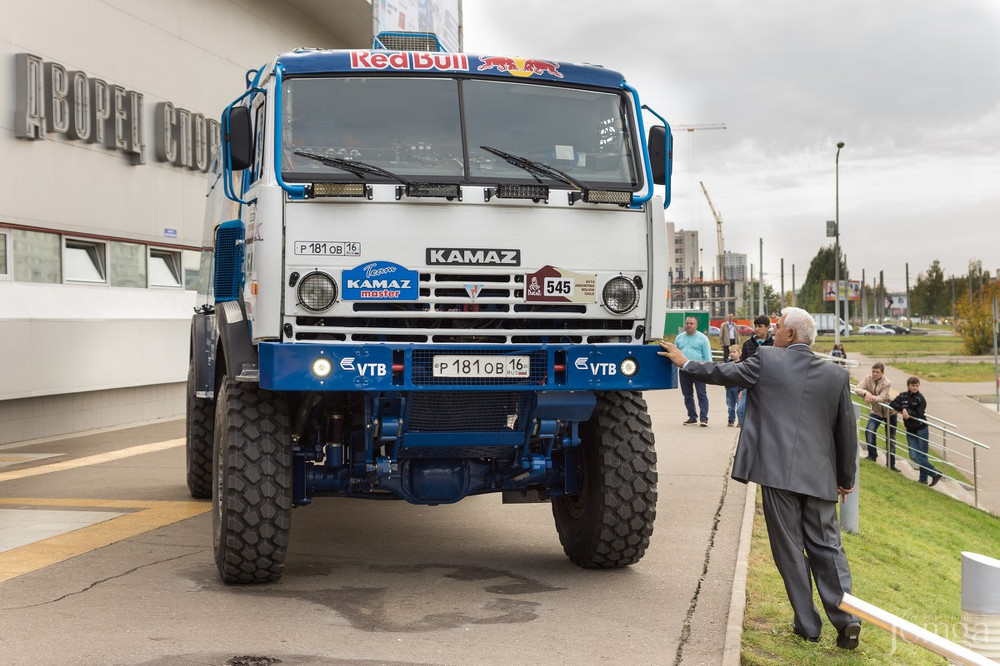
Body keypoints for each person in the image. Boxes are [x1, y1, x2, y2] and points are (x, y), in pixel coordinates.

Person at [659, 307, 862, 649]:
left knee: (789, 550)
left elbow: (723, 372)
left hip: (777, 474)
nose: (774, 331)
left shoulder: (767, 359)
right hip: (821, 479)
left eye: (779, 327)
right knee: (828, 548)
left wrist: (686, 363)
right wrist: (845, 478)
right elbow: (846, 433)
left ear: (792, 335)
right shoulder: (835, 376)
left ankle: (808, 625)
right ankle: (848, 619)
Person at [890, 377, 942, 486]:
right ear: (908, 385)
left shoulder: (920, 398)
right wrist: (902, 409)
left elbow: (918, 413)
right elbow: (893, 403)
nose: (915, 388)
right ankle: (935, 473)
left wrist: (907, 411)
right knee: (913, 455)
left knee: (922, 455)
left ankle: (923, 479)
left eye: (917, 386)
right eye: (913, 385)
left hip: (921, 429)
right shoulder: (903, 395)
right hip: (910, 430)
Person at [855, 362, 898, 469]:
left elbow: (882, 398)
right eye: (873, 371)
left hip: (890, 412)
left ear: (882, 373)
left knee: (890, 438)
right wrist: (866, 393)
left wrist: (871, 398)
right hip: (876, 411)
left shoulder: (887, 383)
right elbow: (857, 388)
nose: (874, 374)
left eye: (877, 372)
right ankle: (872, 455)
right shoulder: (868, 378)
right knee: (869, 431)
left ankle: (891, 464)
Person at [675, 316, 712, 426]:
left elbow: (707, 356)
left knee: (701, 394)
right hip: (684, 369)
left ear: (696, 326)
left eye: (691, 323)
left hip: (699, 369)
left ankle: (704, 418)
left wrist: (708, 370)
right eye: (687, 323)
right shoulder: (679, 338)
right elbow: (675, 353)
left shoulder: (702, 338)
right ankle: (692, 416)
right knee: (687, 395)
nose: (689, 325)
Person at [737, 315, 773, 426]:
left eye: (760, 326)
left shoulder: (774, 344)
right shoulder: (748, 344)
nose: (757, 329)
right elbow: (743, 366)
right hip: (750, 385)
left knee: (765, 414)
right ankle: (745, 433)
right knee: (741, 410)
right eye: (755, 326)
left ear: (767, 327)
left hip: (768, 386)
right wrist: (740, 389)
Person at [725, 344, 742, 427]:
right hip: (730, 387)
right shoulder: (728, 363)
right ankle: (731, 420)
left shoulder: (742, 364)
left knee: (739, 406)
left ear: (739, 353)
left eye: (734, 352)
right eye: (731, 352)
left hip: (739, 388)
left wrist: (742, 389)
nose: (732, 354)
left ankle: (740, 420)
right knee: (730, 405)